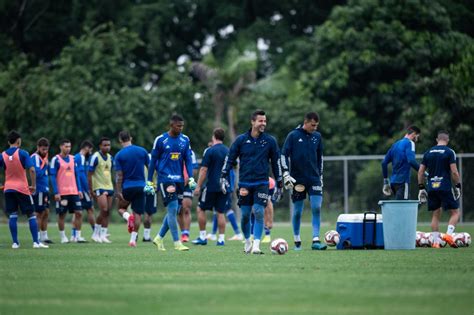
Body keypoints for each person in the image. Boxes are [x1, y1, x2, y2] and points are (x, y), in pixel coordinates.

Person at [221, 110, 282, 254]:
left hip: (262, 182)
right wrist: (223, 176)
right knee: (246, 215)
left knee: (259, 211)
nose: (263, 124)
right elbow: (229, 159)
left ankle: (256, 245)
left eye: (265, 121)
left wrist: (279, 183)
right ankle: (247, 241)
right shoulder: (241, 140)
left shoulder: (270, 141)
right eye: (261, 121)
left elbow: (276, 162)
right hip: (245, 184)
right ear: (253, 122)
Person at [149, 114, 196, 252]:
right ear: (171, 125)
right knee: (172, 208)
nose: (180, 128)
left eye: (182, 126)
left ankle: (158, 238)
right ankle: (177, 243)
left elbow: (187, 159)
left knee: (174, 210)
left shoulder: (185, 139)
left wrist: (191, 177)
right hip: (165, 179)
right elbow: (152, 161)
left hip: (180, 180)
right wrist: (149, 180)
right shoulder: (161, 140)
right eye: (178, 126)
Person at [281, 112, 326, 250]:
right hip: (297, 180)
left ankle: (316, 240)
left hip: (314, 179)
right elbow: (283, 155)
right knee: (297, 212)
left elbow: (320, 158)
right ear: (305, 122)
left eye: (316, 125)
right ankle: (297, 240)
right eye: (313, 125)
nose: (315, 128)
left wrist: (321, 175)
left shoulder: (317, 137)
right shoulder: (293, 135)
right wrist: (286, 173)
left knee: (316, 207)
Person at [0, 130, 47, 249]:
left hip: (8, 188)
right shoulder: (23, 153)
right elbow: (31, 169)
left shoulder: (3, 155)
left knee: (13, 215)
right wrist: (34, 185)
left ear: (8, 142)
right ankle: (36, 242)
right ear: (19, 141)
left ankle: (15, 243)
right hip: (22, 188)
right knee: (31, 214)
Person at [418, 131, 461, 248]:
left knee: (436, 214)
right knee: (455, 212)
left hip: (432, 187)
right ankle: (448, 235)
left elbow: (421, 172)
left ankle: (436, 242)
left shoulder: (428, 152)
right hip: (445, 186)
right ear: (447, 140)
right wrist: (458, 185)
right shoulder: (449, 152)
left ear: (437, 140)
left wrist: (421, 187)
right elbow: (454, 172)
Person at [192, 128, 232, 246]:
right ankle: (221, 239)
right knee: (220, 212)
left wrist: (198, 186)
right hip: (224, 186)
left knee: (201, 209)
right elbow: (233, 166)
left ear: (213, 136)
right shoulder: (228, 151)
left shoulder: (210, 151)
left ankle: (203, 237)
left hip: (211, 186)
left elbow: (204, 169)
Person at [114, 131, 151, 247]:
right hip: (141, 186)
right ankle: (133, 240)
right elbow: (150, 168)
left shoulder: (119, 155)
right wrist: (149, 183)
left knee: (120, 208)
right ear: (131, 138)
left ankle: (127, 217)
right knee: (138, 214)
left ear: (120, 140)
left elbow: (119, 176)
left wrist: (119, 191)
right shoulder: (142, 151)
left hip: (127, 187)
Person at [50, 139, 85, 243]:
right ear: (61, 147)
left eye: (69, 146)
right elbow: (52, 176)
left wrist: (79, 190)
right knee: (62, 214)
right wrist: (56, 192)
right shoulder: (55, 159)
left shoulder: (73, 159)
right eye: (66, 146)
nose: (68, 149)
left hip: (74, 191)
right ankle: (63, 237)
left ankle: (78, 236)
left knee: (79, 213)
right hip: (63, 193)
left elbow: (77, 175)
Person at [381, 125, 421, 199]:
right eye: (417, 136)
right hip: (403, 181)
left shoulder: (395, 144)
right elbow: (411, 161)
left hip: (393, 182)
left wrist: (386, 181)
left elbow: (384, 163)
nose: (417, 139)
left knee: (399, 206)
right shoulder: (410, 143)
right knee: (404, 207)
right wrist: (422, 172)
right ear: (414, 134)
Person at [89, 137, 114, 243]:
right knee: (103, 209)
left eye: (108, 145)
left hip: (109, 187)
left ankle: (103, 235)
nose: (107, 147)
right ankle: (95, 233)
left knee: (107, 212)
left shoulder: (110, 157)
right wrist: (91, 190)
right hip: (99, 186)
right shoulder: (95, 157)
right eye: (105, 145)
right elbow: (89, 174)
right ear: (100, 146)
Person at [31, 137, 53, 244]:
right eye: (43, 149)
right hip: (39, 189)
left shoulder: (44, 158)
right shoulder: (35, 157)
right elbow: (37, 173)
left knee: (46, 212)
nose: (45, 152)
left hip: (45, 189)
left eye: (46, 149)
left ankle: (44, 236)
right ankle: (37, 237)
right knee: (39, 213)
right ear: (38, 148)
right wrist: (45, 165)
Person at [73, 140, 94, 241]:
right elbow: (81, 175)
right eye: (90, 149)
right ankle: (95, 232)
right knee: (90, 209)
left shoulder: (76, 157)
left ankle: (74, 235)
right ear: (86, 148)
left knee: (77, 212)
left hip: (76, 188)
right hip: (82, 189)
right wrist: (87, 189)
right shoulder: (80, 157)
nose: (91, 152)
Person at [178, 149, 198, 242]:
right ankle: (182, 233)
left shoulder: (191, 153)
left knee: (186, 208)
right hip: (177, 182)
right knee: (179, 209)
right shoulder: (173, 150)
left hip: (187, 185)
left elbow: (194, 169)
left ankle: (186, 233)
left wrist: (189, 178)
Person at [143, 153, 158, 242]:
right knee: (149, 213)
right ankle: (146, 236)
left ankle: (134, 235)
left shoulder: (142, 160)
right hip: (152, 188)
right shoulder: (156, 160)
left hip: (141, 187)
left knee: (138, 212)